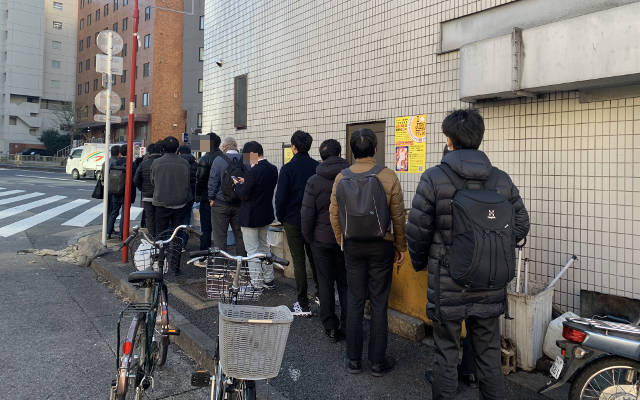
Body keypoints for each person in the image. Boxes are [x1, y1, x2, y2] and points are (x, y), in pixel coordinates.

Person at [406, 109, 530, 400]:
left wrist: (421, 262)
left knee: (446, 352)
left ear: (449, 140)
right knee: (488, 355)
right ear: (479, 139)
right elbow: (522, 223)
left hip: (448, 281)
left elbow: (418, 230)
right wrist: (492, 249)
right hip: (490, 281)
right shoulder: (500, 179)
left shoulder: (434, 178)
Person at [329, 129, 406, 377]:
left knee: (354, 300)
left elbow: (334, 214)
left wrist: (342, 240)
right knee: (379, 301)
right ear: (374, 150)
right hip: (381, 245)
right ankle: (376, 362)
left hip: (352, 245)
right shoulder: (388, 176)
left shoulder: (341, 178)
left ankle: (353, 360)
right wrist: (400, 247)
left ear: (352, 150)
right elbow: (398, 216)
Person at [301, 139, 349, 343]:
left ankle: (330, 326)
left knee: (325, 283)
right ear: (339, 153)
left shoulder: (314, 180)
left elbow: (307, 214)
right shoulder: (350, 176)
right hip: (346, 238)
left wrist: (308, 237)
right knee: (346, 284)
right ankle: (349, 325)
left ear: (321, 156)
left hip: (320, 241)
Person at [275, 130, 319, 315]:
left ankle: (303, 303)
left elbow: (281, 198)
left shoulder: (287, 169)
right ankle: (321, 295)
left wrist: (281, 217)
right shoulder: (317, 166)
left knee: (299, 261)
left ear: (293, 147)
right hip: (314, 219)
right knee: (316, 258)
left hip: (293, 220)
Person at [234, 141, 278, 288]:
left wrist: (238, 185)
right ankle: (269, 279)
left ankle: (256, 283)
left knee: (252, 250)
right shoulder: (272, 169)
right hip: (265, 214)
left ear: (252, 155)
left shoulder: (253, 171)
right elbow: (259, 186)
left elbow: (244, 195)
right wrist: (246, 182)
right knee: (264, 247)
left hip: (250, 216)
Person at [151, 136, 192, 272]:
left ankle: (160, 264)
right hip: (180, 203)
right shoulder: (185, 163)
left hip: (161, 202)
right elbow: (188, 183)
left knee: (161, 234)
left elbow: (153, 181)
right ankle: (175, 266)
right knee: (177, 235)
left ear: (163, 148)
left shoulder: (156, 163)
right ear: (177, 149)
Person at [207, 136, 246, 254]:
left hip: (220, 203)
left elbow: (213, 181)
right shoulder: (247, 158)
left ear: (223, 147)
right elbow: (254, 175)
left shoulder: (218, 159)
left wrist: (211, 198)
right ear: (236, 146)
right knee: (241, 236)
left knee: (220, 237)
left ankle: (220, 268)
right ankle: (243, 266)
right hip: (241, 203)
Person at [196, 132, 223, 250]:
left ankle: (204, 254)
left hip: (207, 197)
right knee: (220, 228)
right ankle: (220, 254)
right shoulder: (224, 157)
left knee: (206, 227)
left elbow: (200, 180)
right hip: (223, 198)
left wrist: (197, 195)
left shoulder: (205, 159)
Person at [134, 142, 162, 237]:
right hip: (161, 195)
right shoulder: (162, 162)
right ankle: (160, 237)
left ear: (149, 152)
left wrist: (142, 189)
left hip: (147, 196)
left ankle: (152, 236)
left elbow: (136, 179)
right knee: (160, 218)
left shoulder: (144, 164)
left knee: (149, 217)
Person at [106, 145, 122, 239]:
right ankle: (110, 229)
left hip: (107, 188)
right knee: (113, 210)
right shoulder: (117, 162)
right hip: (114, 188)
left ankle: (108, 230)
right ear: (118, 153)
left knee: (109, 210)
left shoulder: (106, 161)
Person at [179, 144, 197, 225]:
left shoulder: (178, 163)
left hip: (178, 193)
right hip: (191, 194)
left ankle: (176, 234)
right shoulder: (195, 164)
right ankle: (185, 235)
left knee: (177, 216)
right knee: (187, 215)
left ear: (179, 152)